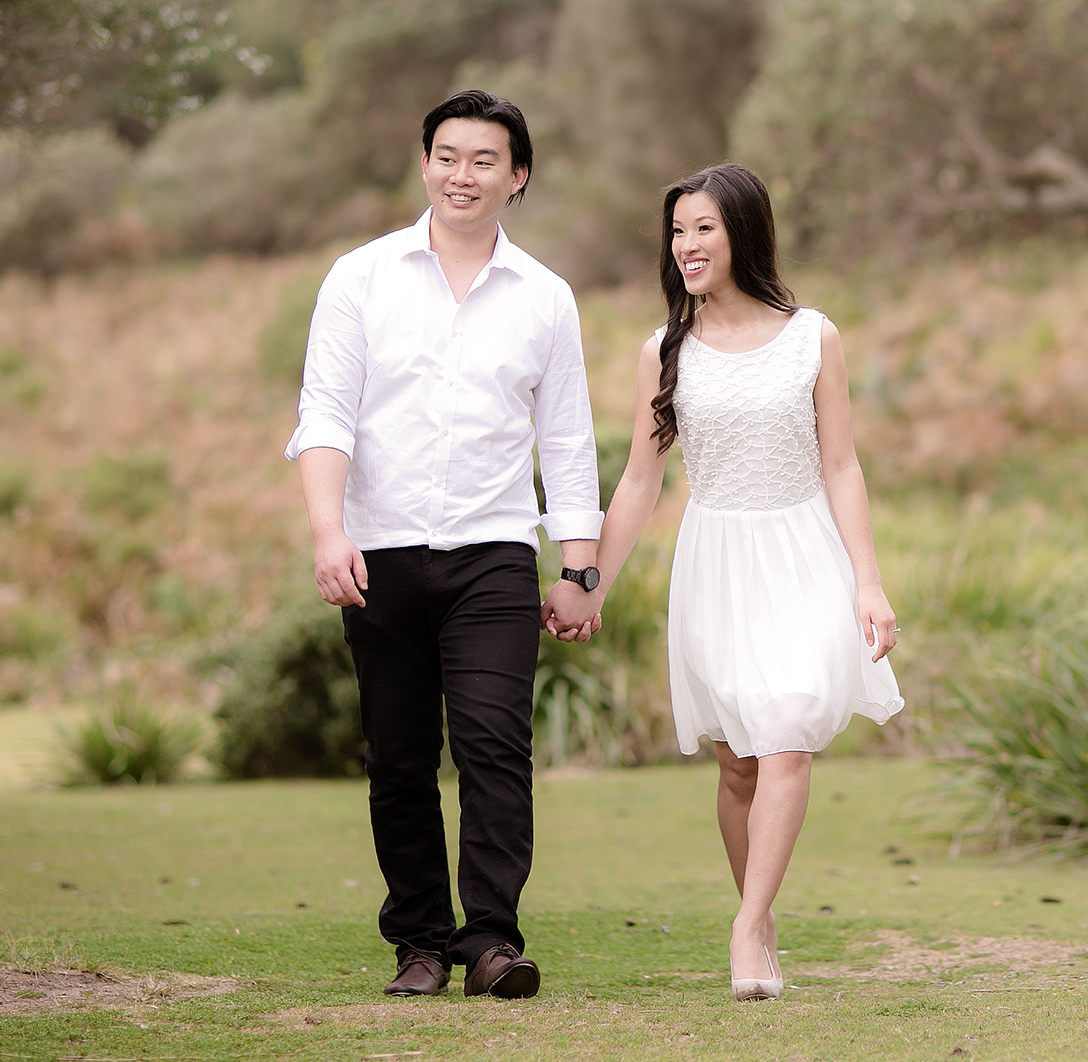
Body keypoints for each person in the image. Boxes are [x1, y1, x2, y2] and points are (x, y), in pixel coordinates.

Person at [285, 90, 606, 1002]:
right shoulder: (360, 277)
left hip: (493, 550)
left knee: (495, 746)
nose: (463, 175)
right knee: (398, 755)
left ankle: (493, 940)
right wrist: (328, 530)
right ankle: (420, 943)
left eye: (484, 160)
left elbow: (567, 441)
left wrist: (579, 569)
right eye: (448, 156)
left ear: (518, 175)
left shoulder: (545, 296)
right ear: (425, 163)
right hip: (378, 550)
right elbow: (325, 413)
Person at [586, 162, 904, 1002]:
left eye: (705, 228)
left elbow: (842, 465)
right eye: (677, 230)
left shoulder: (813, 337)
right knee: (738, 765)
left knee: (787, 733)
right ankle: (759, 921)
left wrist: (869, 581)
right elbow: (640, 479)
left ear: (744, 234)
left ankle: (746, 922)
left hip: (803, 555)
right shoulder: (664, 351)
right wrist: (592, 582)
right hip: (716, 564)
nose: (686, 245)